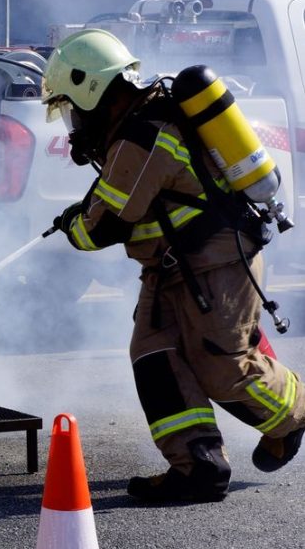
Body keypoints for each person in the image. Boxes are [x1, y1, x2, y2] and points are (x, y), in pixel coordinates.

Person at [40, 28, 305, 503]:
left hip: (218, 265)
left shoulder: (144, 135)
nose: (73, 122)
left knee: (223, 369)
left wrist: (73, 225)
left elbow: (105, 225)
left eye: (71, 108)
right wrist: (82, 215)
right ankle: (198, 468)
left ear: (91, 90)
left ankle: (298, 412)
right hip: (172, 268)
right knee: (154, 356)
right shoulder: (135, 129)